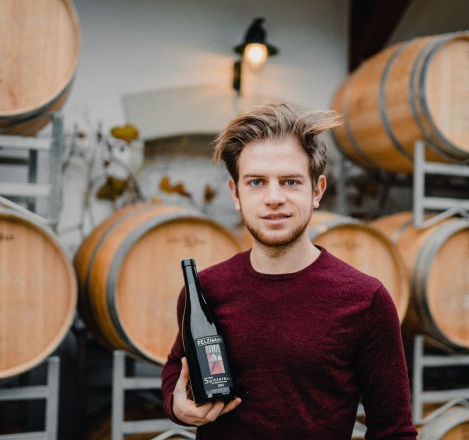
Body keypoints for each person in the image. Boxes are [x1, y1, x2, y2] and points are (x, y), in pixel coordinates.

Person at [161, 104, 417, 439]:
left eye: (290, 182)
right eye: (256, 182)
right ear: (235, 194)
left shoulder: (365, 300)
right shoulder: (205, 290)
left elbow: (393, 430)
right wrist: (176, 404)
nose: (274, 197)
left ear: (317, 191)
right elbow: (176, 365)